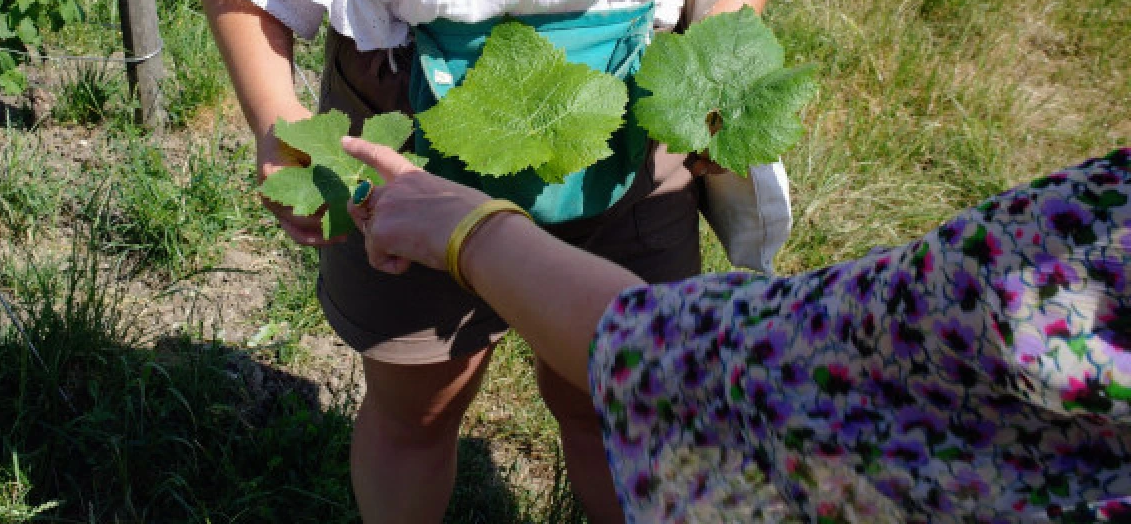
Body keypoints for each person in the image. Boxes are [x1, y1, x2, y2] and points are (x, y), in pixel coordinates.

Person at [185, 0, 806, 520]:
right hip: (407, 118)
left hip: (631, 109)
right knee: (421, 403)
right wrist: (277, 120)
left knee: (615, 390)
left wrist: (716, 49)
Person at [342, 138, 1131, 523]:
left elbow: (751, 363)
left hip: (614, 183)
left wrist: (474, 237)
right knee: (415, 410)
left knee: (595, 407)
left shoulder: (1079, 260)